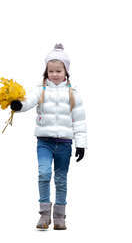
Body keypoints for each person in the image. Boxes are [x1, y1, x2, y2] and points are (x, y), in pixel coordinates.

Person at [11, 44, 87, 230]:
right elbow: (28, 102)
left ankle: (60, 217)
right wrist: (18, 106)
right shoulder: (41, 90)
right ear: (46, 72)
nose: (54, 74)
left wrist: (81, 144)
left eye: (58, 70)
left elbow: (79, 120)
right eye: (51, 71)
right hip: (44, 142)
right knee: (44, 174)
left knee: (61, 179)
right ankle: (44, 215)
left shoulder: (73, 94)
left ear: (66, 72)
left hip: (64, 144)